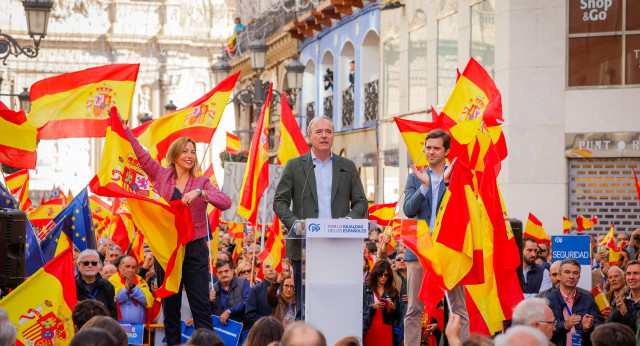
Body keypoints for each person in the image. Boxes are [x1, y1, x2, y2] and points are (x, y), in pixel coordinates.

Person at [117, 106, 232, 346]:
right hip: (166, 252)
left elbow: (225, 201)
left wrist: (200, 193)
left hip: (194, 249)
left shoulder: (202, 182)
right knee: (170, 309)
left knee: (201, 307)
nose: (190, 155)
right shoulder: (160, 176)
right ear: (175, 154)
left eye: (193, 151)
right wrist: (125, 130)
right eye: (185, 151)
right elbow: (141, 155)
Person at [273, 115, 368, 319]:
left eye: (328, 132)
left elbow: (361, 202)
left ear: (333, 136)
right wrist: (298, 225)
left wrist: (349, 221)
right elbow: (279, 202)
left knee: (337, 305)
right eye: (319, 132)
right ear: (309, 137)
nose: (324, 136)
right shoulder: (295, 166)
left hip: (339, 245)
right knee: (306, 308)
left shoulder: (347, 166)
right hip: (305, 246)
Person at [402, 128, 464, 343]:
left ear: (446, 151)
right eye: (428, 148)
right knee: (413, 308)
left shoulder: (457, 176)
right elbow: (408, 210)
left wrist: (446, 185)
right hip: (419, 248)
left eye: (436, 148)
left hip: (449, 248)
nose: (430, 152)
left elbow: (460, 211)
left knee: (458, 307)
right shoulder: (415, 177)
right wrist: (425, 187)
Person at [544, 258, 603, 346]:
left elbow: (598, 330)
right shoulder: (547, 300)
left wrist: (586, 328)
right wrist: (565, 325)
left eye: (575, 273)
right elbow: (543, 329)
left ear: (579, 277)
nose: (571, 276)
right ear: (559, 276)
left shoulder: (588, 299)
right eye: (567, 272)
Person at [363, 260, 401, 345]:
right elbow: (360, 310)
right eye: (381, 274)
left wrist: (393, 309)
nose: (383, 277)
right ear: (376, 274)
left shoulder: (393, 291)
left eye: (386, 275)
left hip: (386, 330)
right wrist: (372, 306)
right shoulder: (367, 289)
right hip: (370, 328)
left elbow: (397, 316)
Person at [108, 255, 153, 324]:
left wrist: (133, 287)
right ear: (120, 267)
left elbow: (147, 300)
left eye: (133, 267)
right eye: (127, 266)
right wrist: (125, 289)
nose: (130, 270)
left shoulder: (140, 280)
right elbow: (112, 300)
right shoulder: (112, 281)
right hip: (118, 327)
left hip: (138, 329)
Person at [75, 249, 117, 319]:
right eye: (86, 263)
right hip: (80, 328)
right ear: (79, 265)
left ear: (97, 265)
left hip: (102, 327)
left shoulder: (107, 285)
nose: (90, 266)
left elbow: (113, 312)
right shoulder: (72, 285)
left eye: (94, 263)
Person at [210, 260, 250, 326]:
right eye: (220, 272)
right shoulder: (212, 289)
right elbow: (205, 311)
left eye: (226, 271)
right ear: (216, 274)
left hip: (240, 326)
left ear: (232, 271)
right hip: (220, 328)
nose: (223, 275)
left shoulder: (242, 282)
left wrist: (230, 311)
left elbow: (247, 301)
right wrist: (209, 301)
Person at [605, 260, 640, 334]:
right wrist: (617, 312)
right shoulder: (621, 299)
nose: (631, 277)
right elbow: (607, 327)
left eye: (636, 273)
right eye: (628, 274)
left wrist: (625, 313)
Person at [245, 262, 278, 330]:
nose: (271, 269)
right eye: (267, 267)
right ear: (263, 271)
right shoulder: (255, 290)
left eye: (274, 266)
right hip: (263, 331)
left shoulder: (285, 287)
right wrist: (268, 322)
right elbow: (250, 315)